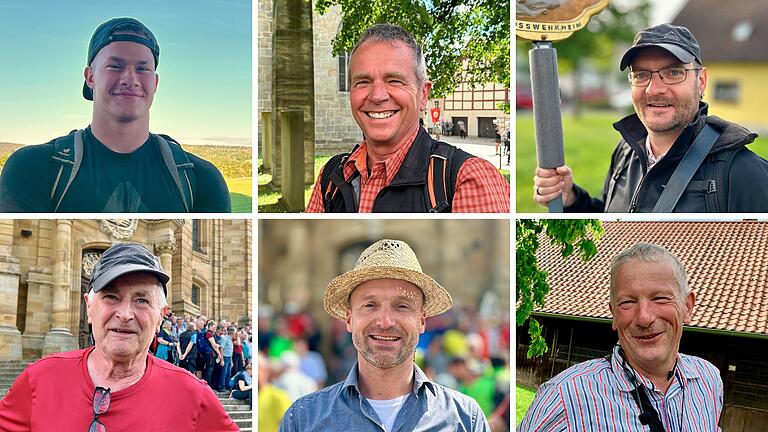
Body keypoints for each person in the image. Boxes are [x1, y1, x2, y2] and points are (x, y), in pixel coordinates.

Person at [0, 17, 231, 212]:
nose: (130, 79)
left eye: (142, 69)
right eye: (115, 66)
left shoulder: (201, 179)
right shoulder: (34, 168)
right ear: (90, 77)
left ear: (156, 82)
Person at [0, 242, 237, 430]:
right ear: (88, 307)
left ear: (160, 317)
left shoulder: (193, 396)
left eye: (142, 300)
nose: (125, 314)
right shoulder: (39, 379)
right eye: (111, 296)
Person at [533, 23, 768, 212]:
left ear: (701, 81)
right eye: (641, 75)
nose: (653, 89)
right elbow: (609, 220)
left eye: (673, 73)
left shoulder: (742, 172)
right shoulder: (625, 152)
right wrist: (572, 198)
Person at [279, 239, 490, 431]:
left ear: (422, 321)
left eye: (402, 306)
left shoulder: (465, 419)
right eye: (370, 305)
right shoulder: (302, 420)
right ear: (349, 319)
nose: (385, 321)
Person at [305, 24, 509, 213]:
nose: (377, 96)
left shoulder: (467, 178)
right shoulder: (331, 177)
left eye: (394, 81)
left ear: (423, 95)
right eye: (363, 81)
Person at [519, 242, 723, 431]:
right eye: (627, 302)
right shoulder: (563, 397)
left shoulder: (709, 380)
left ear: (687, 307)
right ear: (614, 314)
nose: (644, 318)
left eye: (660, 298)